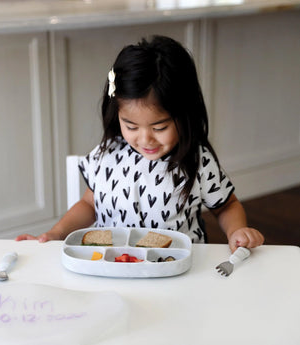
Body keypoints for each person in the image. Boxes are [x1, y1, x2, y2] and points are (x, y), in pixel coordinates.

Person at [16, 35, 264, 253]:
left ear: (184, 115)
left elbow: (227, 205)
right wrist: (57, 234)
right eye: (131, 127)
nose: (145, 139)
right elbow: (89, 204)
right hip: (111, 265)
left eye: (160, 127)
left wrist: (237, 231)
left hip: (178, 267)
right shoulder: (107, 154)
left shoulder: (196, 160)